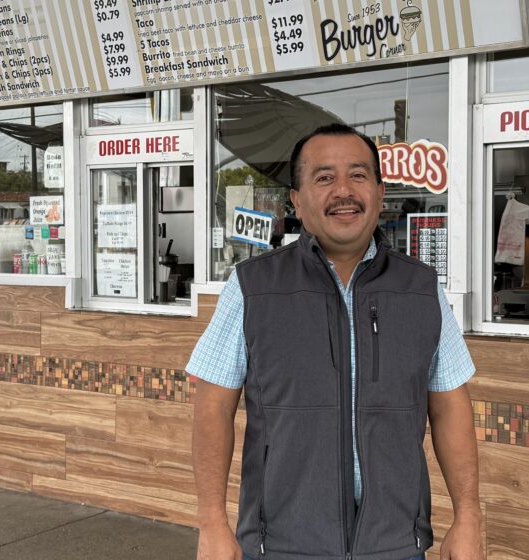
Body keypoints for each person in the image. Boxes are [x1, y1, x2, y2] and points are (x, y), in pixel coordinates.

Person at [189, 123, 482, 560]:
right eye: (324, 178)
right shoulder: (253, 286)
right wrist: (212, 521)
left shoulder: (420, 289)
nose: (344, 191)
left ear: (380, 194)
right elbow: (213, 405)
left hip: (396, 545)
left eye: (359, 175)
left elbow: (450, 407)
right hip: (283, 546)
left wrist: (469, 517)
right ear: (297, 200)